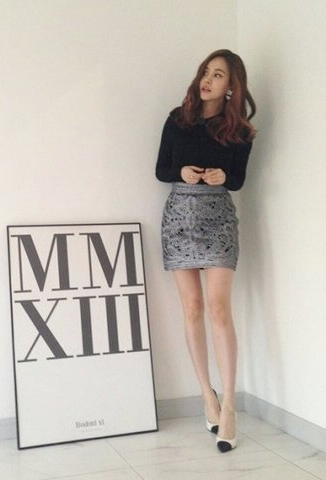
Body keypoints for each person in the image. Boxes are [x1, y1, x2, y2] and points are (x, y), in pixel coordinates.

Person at [155, 49, 256, 453]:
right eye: (206, 72)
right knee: (193, 309)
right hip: (178, 218)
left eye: (218, 75)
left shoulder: (241, 131)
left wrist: (222, 175)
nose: (208, 80)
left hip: (218, 222)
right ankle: (206, 394)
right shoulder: (177, 120)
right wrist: (181, 172)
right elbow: (161, 169)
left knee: (218, 310)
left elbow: (239, 180)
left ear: (232, 87)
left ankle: (229, 405)